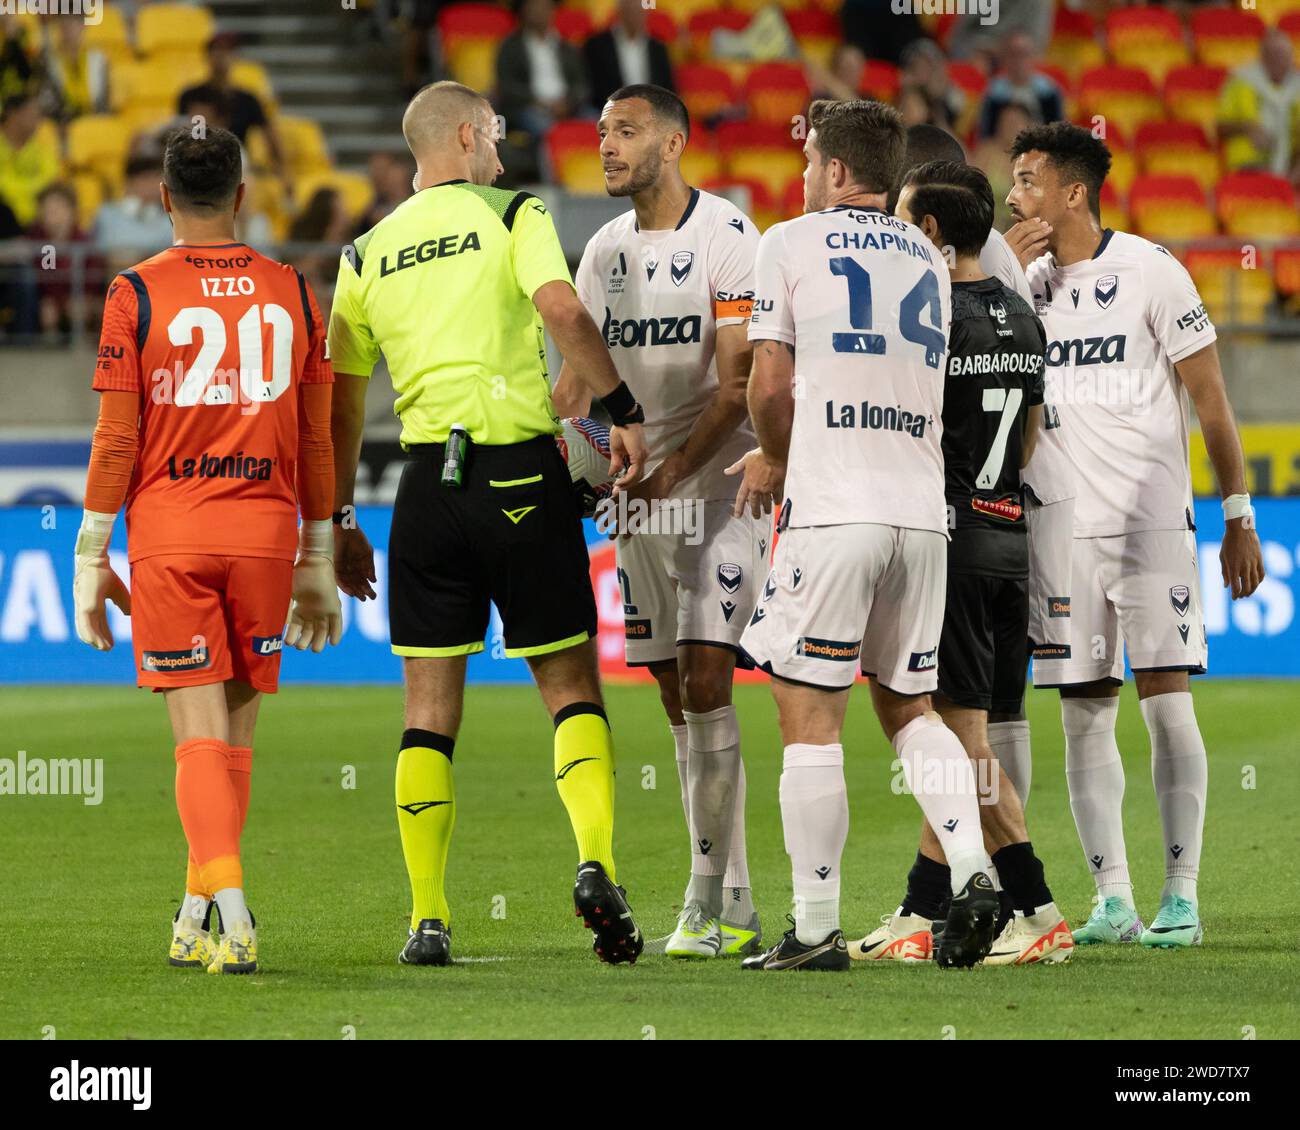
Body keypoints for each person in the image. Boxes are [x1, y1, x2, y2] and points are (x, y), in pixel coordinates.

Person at [326, 81, 649, 968]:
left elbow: (341, 407)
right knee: (571, 688)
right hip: (518, 473)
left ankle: (427, 918)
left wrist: (341, 514)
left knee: (428, 716)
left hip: (425, 486)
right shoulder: (512, 212)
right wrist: (621, 407)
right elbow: (562, 311)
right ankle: (596, 864)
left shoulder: (363, 254)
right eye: (496, 138)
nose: (503, 156)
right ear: (465, 136)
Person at [731, 99, 998, 973]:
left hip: (834, 506)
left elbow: (769, 384)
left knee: (809, 714)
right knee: (910, 709)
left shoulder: (790, 242)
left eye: (811, 161)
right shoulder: (927, 251)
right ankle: (972, 869)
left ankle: (814, 930)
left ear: (837, 172)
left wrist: (777, 456)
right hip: (921, 516)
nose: (804, 175)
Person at [71, 125, 342, 976]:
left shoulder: (133, 293)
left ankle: (234, 912)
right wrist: (319, 556)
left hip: (172, 534)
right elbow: (318, 443)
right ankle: (196, 912)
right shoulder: (295, 290)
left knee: (195, 743)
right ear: (244, 196)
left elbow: (116, 443)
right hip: (263, 537)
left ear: (161, 198)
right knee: (233, 743)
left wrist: (88, 555)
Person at [1005, 121, 1265, 947]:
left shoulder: (1152, 271)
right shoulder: (1025, 285)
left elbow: (1213, 404)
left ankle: (1179, 896)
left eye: (1029, 179)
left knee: (1164, 701)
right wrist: (1008, 274)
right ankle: (1112, 899)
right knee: (1082, 712)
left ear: (1074, 192)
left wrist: (1238, 512)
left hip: (1152, 522)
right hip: (1060, 534)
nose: (1014, 194)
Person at [551, 84, 765, 959]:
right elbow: (576, 390)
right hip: (637, 499)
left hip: (719, 491)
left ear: (673, 143)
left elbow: (739, 384)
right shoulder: (600, 251)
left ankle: (699, 900)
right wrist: (593, 453)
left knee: (711, 680)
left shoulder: (729, 236)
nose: (606, 146)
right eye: (603, 132)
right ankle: (738, 899)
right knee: (679, 702)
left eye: (626, 132)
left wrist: (671, 471)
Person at [850, 160, 1073, 967]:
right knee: (951, 734)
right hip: (1009, 533)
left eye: (905, 222)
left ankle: (1036, 904)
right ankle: (919, 908)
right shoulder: (1020, 313)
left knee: (961, 745)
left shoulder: (930, 316)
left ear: (932, 233)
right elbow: (1032, 435)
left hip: (952, 538)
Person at [179, 33, 291, 191]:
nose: (221, 56)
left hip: (237, 162)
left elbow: (271, 137)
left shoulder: (247, 99)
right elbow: (180, 133)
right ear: (207, 56)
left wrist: (282, 172)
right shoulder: (191, 96)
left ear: (235, 57)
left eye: (227, 51)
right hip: (199, 161)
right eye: (216, 50)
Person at [1217, 27, 1300, 180]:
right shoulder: (1241, 81)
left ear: (1291, 58)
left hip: (1291, 169)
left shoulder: (1297, 86)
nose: (1279, 61)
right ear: (1262, 57)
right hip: (1247, 167)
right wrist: (1247, 127)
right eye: (1273, 56)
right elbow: (1219, 129)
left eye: (1283, 56)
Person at [583, 0, 674, 108]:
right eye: (630, 10)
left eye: (639, 10)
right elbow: (594, 87)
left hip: (651, 112)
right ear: (620, 12)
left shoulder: (657, 47)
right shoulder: (597, 45)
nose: (635, 15)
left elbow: (667, 87)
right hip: (609, 110)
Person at [93, 156, 175, 274]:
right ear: (130, 183)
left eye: (158, 178)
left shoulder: (169, 219)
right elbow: (104, 250)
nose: (155, 185)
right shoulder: (107, 213)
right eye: (147, 178)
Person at [976, 31, 1063, 141]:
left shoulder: (1049, 90)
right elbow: (986, 136)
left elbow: (1058, 135)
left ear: (1034, 56)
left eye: (1024, 54)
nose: (1019, 61)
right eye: (1013, 55)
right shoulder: (994, 93)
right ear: (1004, 58)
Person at [0, 93, 58, 227]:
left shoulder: (41, 150)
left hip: (36, 224)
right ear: (13, 113)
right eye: (32, 112)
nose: (38, 119)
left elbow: (50, 179)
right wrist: (32, 189)